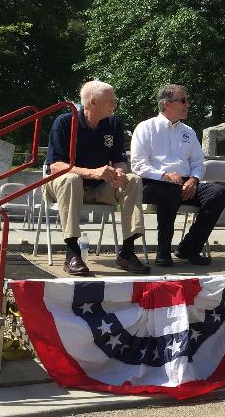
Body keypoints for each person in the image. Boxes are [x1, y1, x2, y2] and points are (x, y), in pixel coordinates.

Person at [44, 81, 148, 276]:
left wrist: (119, 172)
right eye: (111, 100)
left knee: (133, 180)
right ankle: (72, 253)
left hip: (99, 187)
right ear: (92, 102)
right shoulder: (65, 122)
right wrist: (91, 172)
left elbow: (119, 160)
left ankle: (127, 252)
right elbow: (55, 165)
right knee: (71, 179)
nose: (115, 104)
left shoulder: (115, 123)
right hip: (63, 186)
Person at [130, 84, 225, 268]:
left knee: (218, 192)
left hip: (184, 183)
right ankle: (163, 251)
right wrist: (164, 175)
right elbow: (138, 165)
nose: (187, 104)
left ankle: (189, 248)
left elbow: (198, 163)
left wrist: (194, 179)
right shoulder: (146, 128)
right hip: (153, 182)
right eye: (183, 100)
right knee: (170, 190)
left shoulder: (188, 132)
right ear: (167, 104)